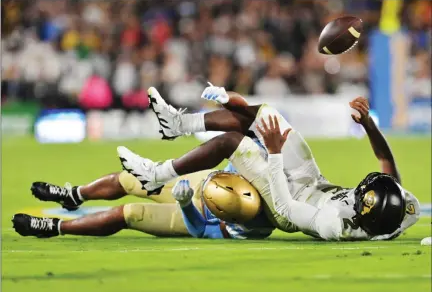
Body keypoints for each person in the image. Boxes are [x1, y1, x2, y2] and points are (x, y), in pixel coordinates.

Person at [116, 86, 420, 241]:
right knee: (268, 115)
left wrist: (273, 153)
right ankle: (179, 123)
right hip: (314, 182)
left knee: (232, 142)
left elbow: (287, 208)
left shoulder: (333, 223)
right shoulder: (399, 210)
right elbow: (385, 158)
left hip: (287, 202)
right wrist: (367, 124)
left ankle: (157, 174)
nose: (359, 190)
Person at [12, 168, 274, 240]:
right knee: (131, 179)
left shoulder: (251, 228)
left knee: (131, 213)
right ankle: (75, 196)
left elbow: (203, 230)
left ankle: (55, 227)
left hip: (194, 211)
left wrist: (185, 205)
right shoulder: (266, 172)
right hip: (201, 182)